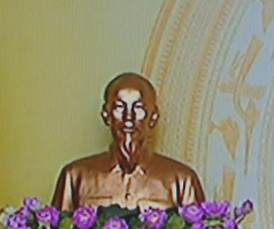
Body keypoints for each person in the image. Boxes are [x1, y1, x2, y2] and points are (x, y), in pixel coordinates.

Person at [52, 72, 205, 211]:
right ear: (106, 115)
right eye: (119, 107)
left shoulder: (182, 181)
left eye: (138, 107)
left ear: (153, 117)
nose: (128, 117)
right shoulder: (75, 177)